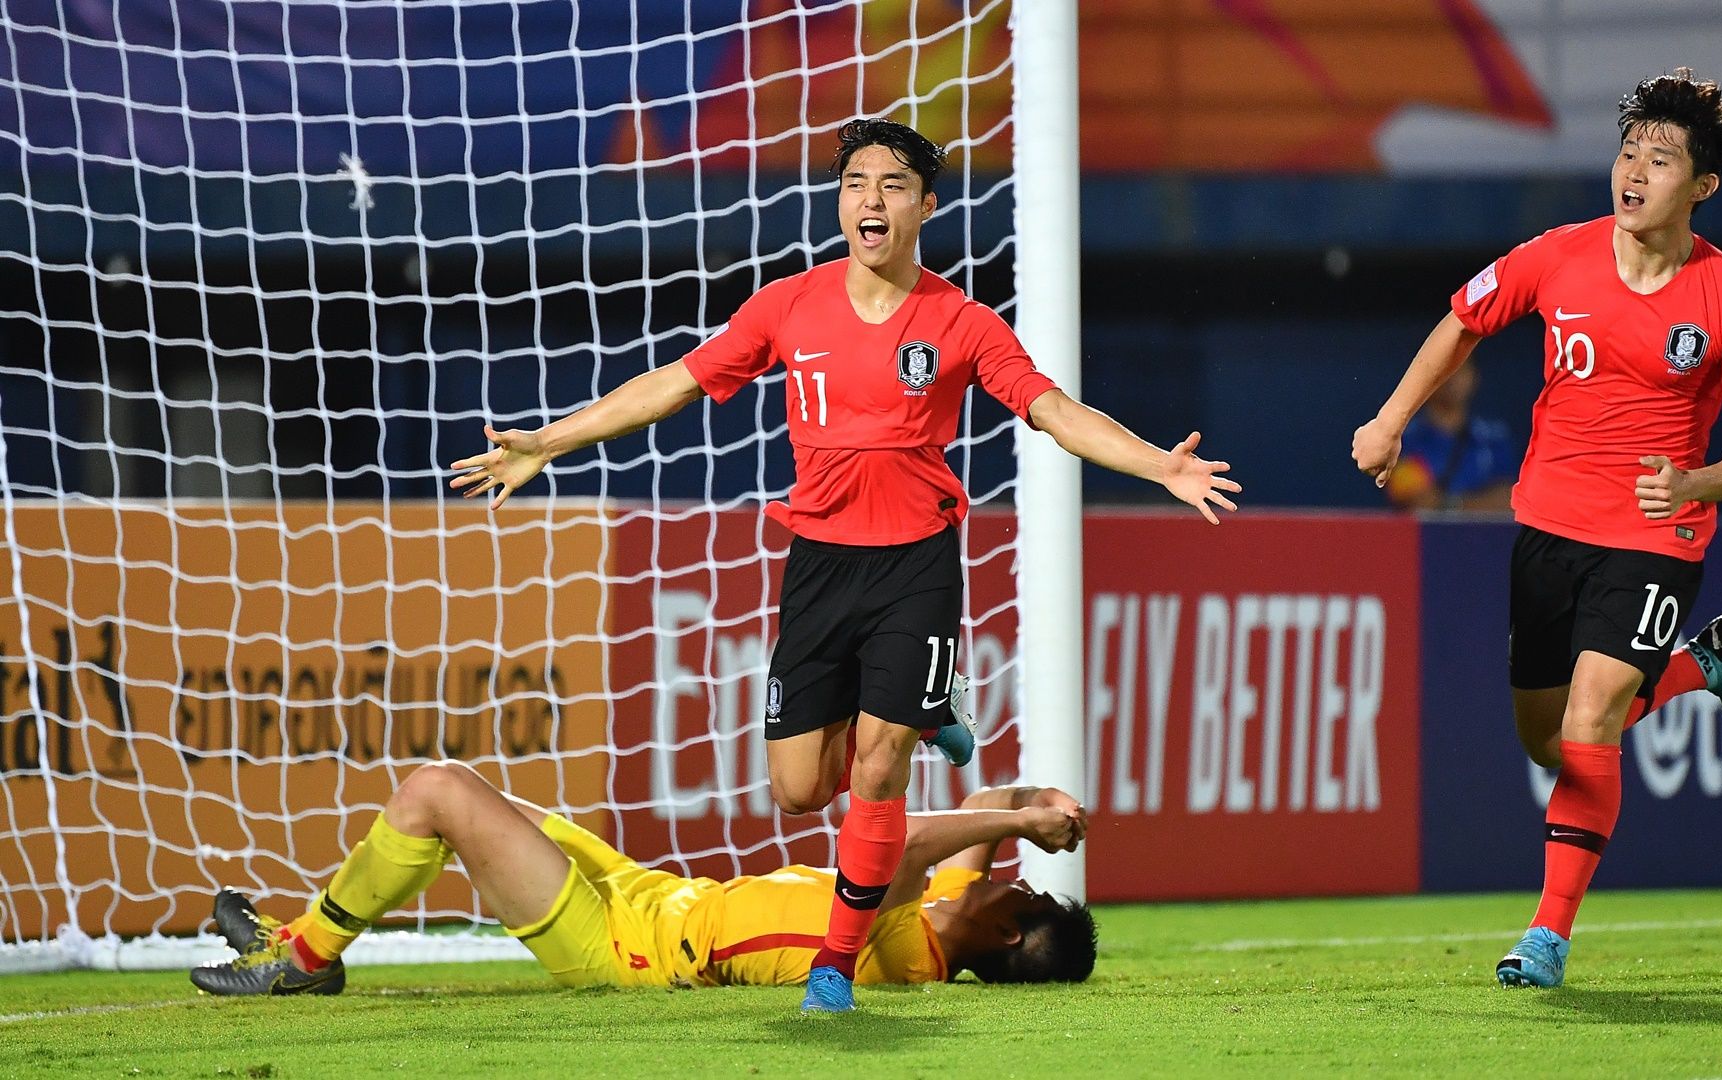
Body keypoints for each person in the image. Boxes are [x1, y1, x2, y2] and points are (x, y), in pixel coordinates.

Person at [448, 118, 1237, 1012]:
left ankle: (834, 964)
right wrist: (546, 443)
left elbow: (1051, 409)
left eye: (893, 184)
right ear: (840, 201)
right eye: (856, 181)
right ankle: (932, 709)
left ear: (926, 207)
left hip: (916, 565)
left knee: (877, 766)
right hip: (820, 563)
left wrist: (1158, 463)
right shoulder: (789, 305)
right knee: (797, 791)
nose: (871, 198)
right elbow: (674, 381)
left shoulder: (961, 322)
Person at [1351, 69, 1722, 988]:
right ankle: (1702, 666)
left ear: (1701, 186)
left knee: (1592, 722)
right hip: (1549, 526)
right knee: (1549, 741)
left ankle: (1546, 937)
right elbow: (1463, 321)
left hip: (1656, 537)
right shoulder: (1559, 255)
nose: (1633, 171)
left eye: (1659, 159)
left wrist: (1697, 480)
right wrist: (1391, 419)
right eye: (1628, 151)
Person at [189, 761, 1094, 995]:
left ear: (1010, 929)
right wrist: (1031, 799)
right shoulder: (945, 911)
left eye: (1032, 889)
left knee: (437, 793)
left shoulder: (893, 950)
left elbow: (896, 847)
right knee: (481, 802)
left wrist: (1018, 822)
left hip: (630, 947)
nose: (1018, 873)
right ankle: (307, 941)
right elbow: (984, 800)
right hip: (649, 890)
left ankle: (301, 957)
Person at [1381, 357, 1516, 511]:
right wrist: (1478, 504)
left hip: (1484, 535)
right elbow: (1415, 500)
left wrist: (1450, 505)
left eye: (1461, 369)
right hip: (1425, 535)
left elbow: (1508, 499)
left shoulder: (1494, 438)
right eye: (1446, 368)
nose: (1453, 377)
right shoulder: (1404, 438)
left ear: (1474, 376)